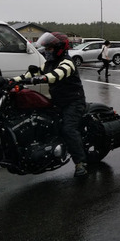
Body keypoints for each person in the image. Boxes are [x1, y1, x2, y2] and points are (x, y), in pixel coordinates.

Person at [13, 32, 88, 177]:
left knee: (68, 129)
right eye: (46, 48)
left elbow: (56, 75)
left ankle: (80, 163)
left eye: (49, 49)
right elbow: (28, 75)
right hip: (58, 101)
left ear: (59, 48)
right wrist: (12, 80)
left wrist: (40, 79)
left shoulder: (67, 62)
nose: (46, 51)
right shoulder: (48, 63)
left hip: (73, 102)